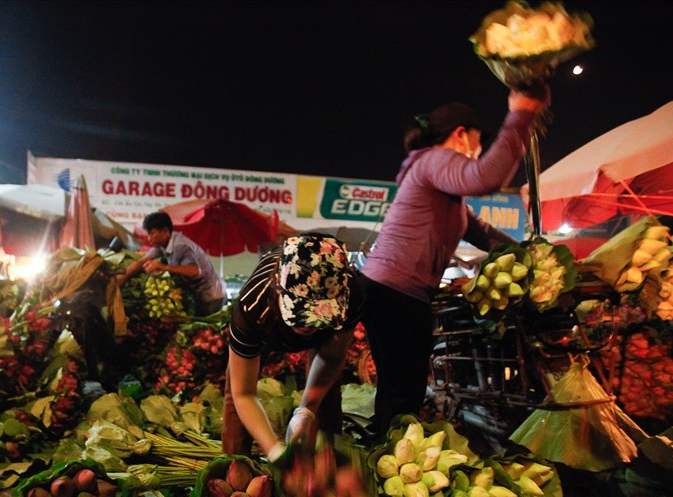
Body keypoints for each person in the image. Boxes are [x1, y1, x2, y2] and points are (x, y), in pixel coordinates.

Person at [359, 87, 547, 439]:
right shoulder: (434, 160)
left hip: (389, 291)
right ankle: (388, 466)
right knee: (404, 393)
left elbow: (483, 232)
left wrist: (529, 253)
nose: (478, 152)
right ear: (461, 135)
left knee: (397, 389)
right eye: (477, 142)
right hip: (397, 293)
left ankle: (379, 452)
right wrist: (520, 115)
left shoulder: (443, 188)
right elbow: (486, 177)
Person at [222, 233, 365, 462]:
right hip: (267, 327)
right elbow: (244, 394)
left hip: (322, 336)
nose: (308, 326)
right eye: (301, 316)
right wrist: (274, 451)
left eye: (318, 318)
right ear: (279, 289)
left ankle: (326, 467)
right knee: (235, 404)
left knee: (326, 397)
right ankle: (236, 469)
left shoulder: (352, 294)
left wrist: (307, 409)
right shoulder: (253, 306)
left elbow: (331, 357)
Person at [122, 211, 226, 315]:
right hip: (199, 295)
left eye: (152, 233)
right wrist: (122, 277)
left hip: (212, 297)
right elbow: (142, 261)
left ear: (165, 231)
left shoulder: (181, 245)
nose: (149, 239)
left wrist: (163, 267)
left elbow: (195, 271)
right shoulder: (162, 244)